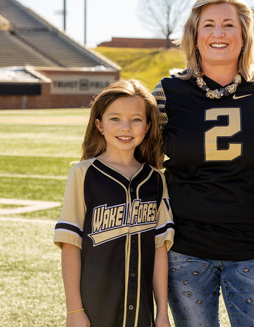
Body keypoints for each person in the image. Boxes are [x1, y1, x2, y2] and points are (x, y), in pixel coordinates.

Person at [152, 0, 254, 327]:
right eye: (208, 25)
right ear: (194, 35)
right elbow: (146, 164)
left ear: (244, 35)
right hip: (186, 249)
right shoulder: (166, 93)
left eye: (229, 24)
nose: (218, 33)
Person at [53, 79, 175, 327]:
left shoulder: (155, 179)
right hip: (94, 308)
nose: (126, 128)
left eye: (136, 119)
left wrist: (162, 312)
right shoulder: (83, 174)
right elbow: (70, 245)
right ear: (99, 124)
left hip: (142, 312)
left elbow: (160, 249)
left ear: (148, 126)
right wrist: (74, 310)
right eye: (115, 118)